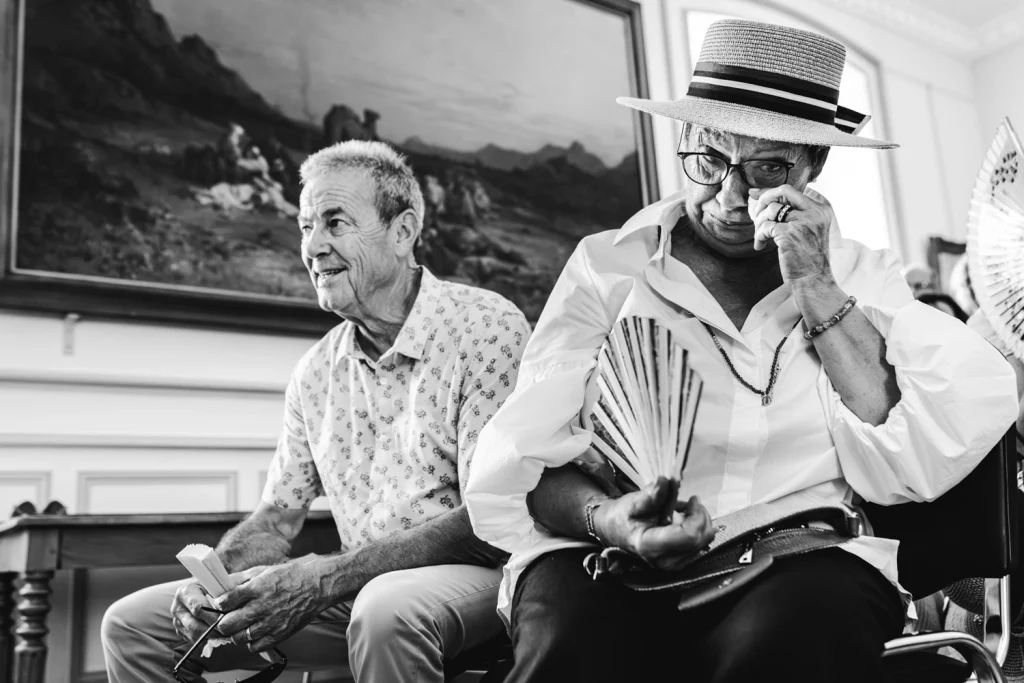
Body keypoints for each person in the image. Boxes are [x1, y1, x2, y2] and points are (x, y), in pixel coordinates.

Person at [464, 18, 1018, 683]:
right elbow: (531, 467)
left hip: (799, 561)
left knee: (791, 635)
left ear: (814, 169)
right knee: (572, 639)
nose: (728, 196)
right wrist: (613, 519)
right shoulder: (606, 271)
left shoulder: (859, 276)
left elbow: (901, 444)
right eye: (710, 159)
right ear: (683, 141)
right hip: (611, 551)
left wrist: (814, 284)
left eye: (768, 169)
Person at [102, 140, 531, 682]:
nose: (313, 246)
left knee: (385, 610)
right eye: (306, 227)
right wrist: (215, 575)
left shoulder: (487, 326)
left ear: (403, 232)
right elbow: (277, 518)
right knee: (132, 625)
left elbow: (487, 521)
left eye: (334, 223)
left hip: (480, 576)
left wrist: (327, 578)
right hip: (356, 585)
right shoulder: (315, 370)